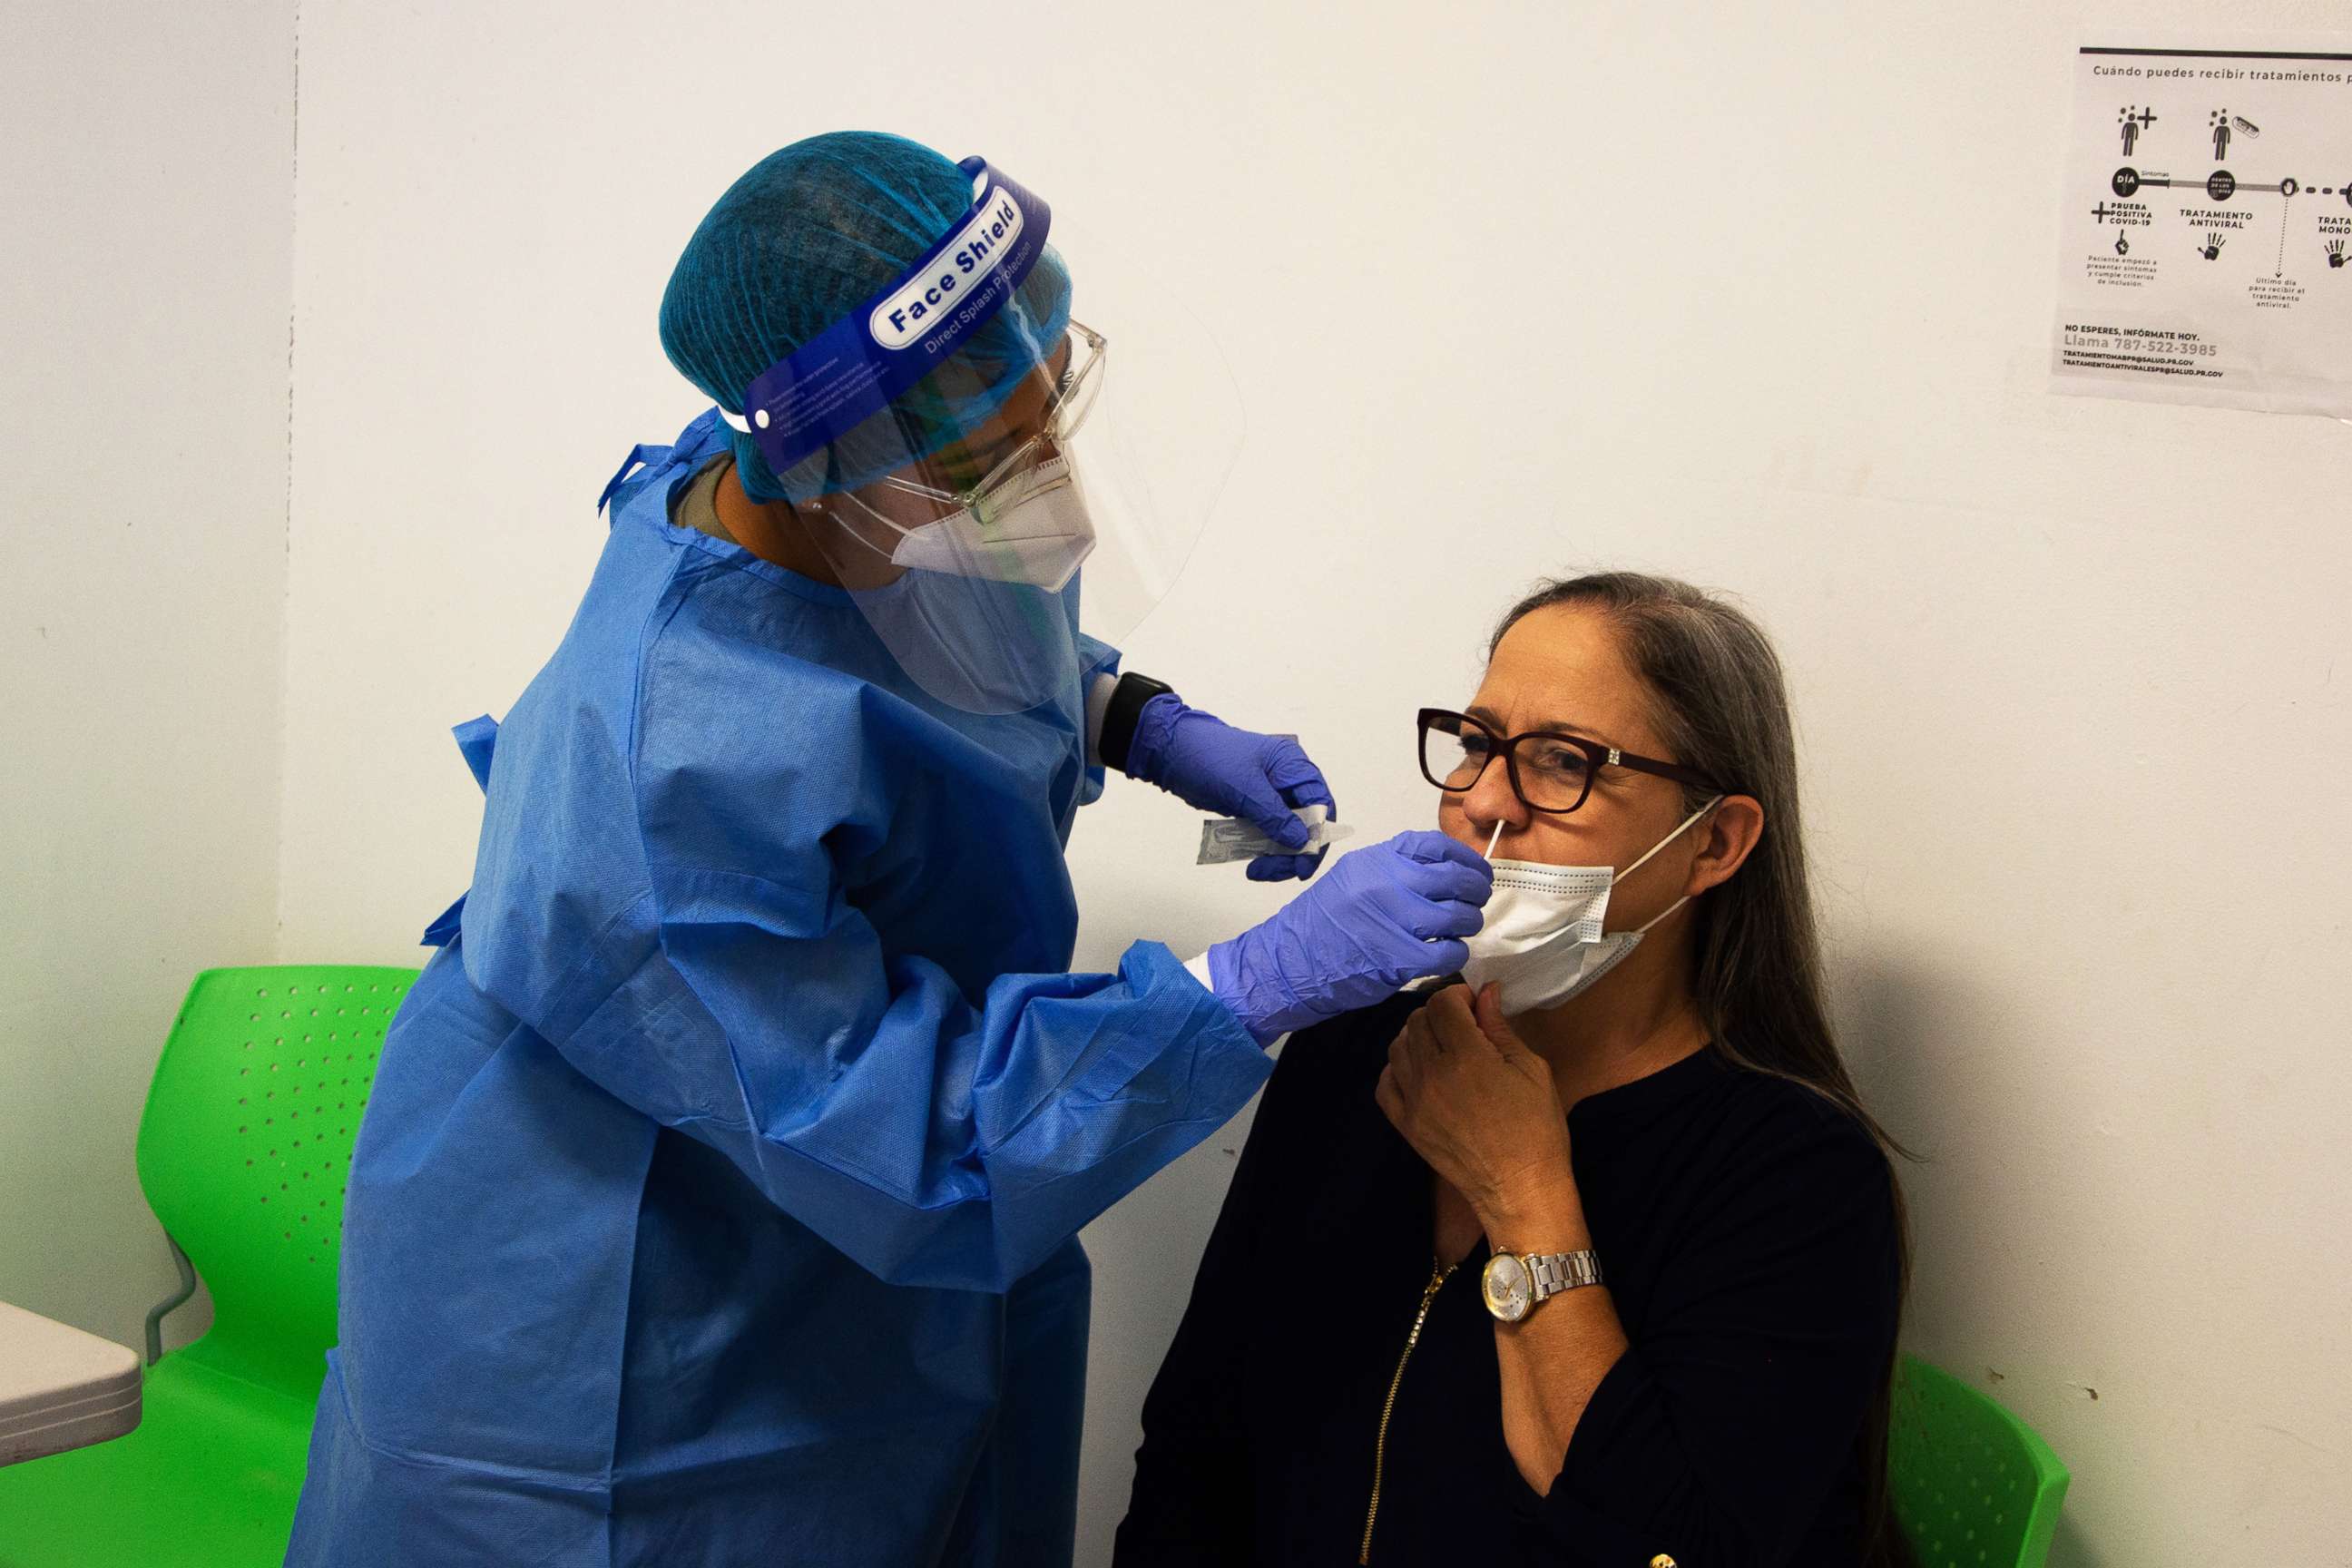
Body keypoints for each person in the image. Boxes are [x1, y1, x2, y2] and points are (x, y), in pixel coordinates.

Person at [283, 132, 1492, 1568]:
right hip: (623, 1290)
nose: (1050, 497)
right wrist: (1248, 986)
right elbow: (907, 1147)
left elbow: (935, 644)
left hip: (855, 1214)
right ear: (812, 473)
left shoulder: (869, 510)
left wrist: (1137, 719)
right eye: (991, 468)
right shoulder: (663, 767)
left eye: (1053, 421)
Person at [1117, 573, 1913, 1568]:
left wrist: (1525, 1190)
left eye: (1563, 763)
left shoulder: (1795, 1177)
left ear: (1713, 842)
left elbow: (1669, 1552)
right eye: (1476, 745)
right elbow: (1198, 1444)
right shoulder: (1354, 1049)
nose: (1485, 802)